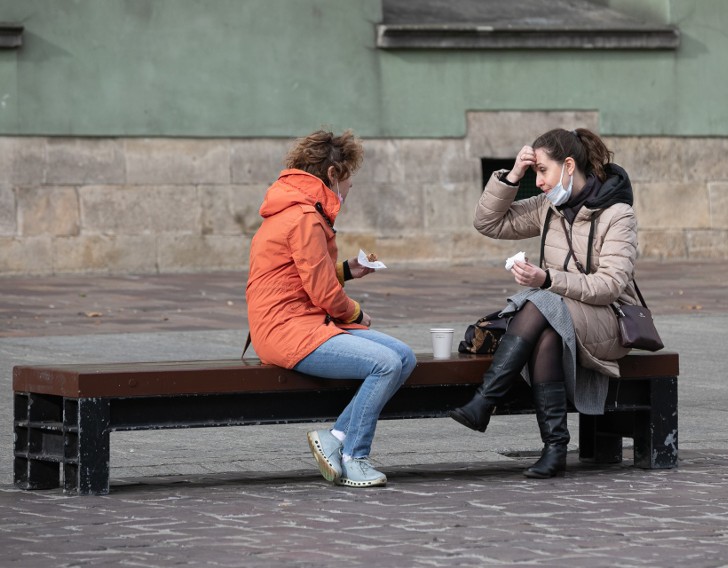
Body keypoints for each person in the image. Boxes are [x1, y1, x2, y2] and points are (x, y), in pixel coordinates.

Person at [449, 128, 641, 478]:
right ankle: (554, 449)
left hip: (609, 321)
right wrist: (512, 176)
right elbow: (488, 222)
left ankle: (486, 399)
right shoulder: (548, 208)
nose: (538, 182)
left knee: (538, 303)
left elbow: (611, 286)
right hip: (561, 315)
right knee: (549, 329)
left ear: (569, 166)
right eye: (534, 172)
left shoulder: (618, 215)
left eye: (542, 171)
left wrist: (548, 280)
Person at [246, 129, 415, 488]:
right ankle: (356, 456)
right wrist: (354, 313)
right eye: (349, 175)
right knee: (384, 364)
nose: (351, 186)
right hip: (287, 330)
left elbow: (300, 276)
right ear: (333, 174)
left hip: (301, 322)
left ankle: (335, 438)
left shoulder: (294, 209)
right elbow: (320, 289)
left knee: (404, 355)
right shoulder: (304, 216)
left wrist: (347, 271)